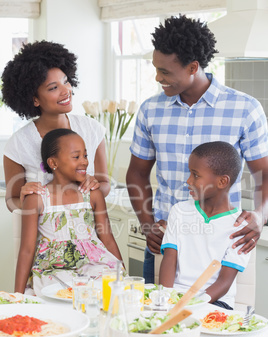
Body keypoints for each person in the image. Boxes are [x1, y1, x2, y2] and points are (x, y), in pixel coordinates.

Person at [126, 15, 268, 283]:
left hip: (221, 245)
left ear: (193, 67)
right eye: (156, 69)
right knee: (153, 320)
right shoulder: (150, 110)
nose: (158, 78)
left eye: (165, 72)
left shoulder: (245, 109)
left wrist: (260, 215)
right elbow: (136, 174)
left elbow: (265, 174)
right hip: (165, 242)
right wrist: (147, 225)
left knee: (220, 320)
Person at [1, 40, 110, 213]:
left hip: (87, 233)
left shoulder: (92, 129)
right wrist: (30, 200)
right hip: (43, 237)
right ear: (34, 99)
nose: (66, 90)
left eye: (66, 81)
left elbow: (105, 185)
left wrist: (94, 187)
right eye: (53, 88)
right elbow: (11, 201)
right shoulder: (18, 144)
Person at [15, 128, 123, 296]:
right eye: (76, 157)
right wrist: (18, 295)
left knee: (109, 286)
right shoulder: (37, 199)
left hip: (94, 265)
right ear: (53, 163)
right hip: (54, 269)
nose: (84, 162)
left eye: (85, 156)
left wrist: (124, 275)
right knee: (58, 291)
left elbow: (107, 239)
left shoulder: (93, 194)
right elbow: (27, 249)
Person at [159, 141, 251, 310]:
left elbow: (224, 281)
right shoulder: (179, 211)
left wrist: (193, 304)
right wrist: (164, 297)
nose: (188, 180)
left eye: (196, 175)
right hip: (176, 297)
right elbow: (169, 260)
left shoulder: (241, 226)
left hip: (216, 301)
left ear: (222, 182)